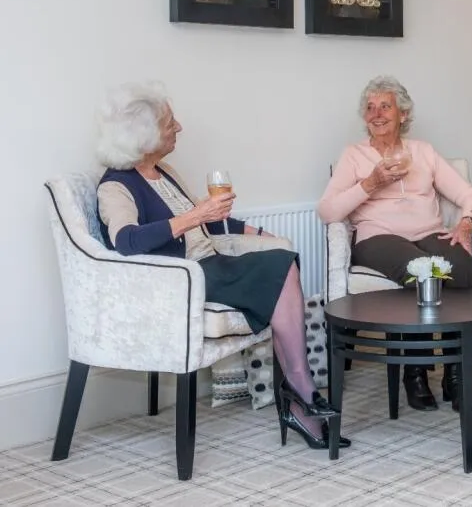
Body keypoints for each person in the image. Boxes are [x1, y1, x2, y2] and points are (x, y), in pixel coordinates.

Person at [95, 82, 347, 451]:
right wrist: (195, 215)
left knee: (282, 262)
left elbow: (208, 223)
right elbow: (126, 241)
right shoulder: (115, 186)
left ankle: (299, 394)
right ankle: (301, 394)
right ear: (144, 136)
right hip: (185, 278)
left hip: (210, 263)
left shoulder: (164, 172)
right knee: (280, 269)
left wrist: (257, 232)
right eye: (169, 122)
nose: (179, 127)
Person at [317, 75, 472, 413]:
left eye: (385, 106)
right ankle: (415, 371)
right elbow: (327, 211)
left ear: (402, 114)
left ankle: (455, 372)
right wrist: (370, 183)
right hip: (377, 237)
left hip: (428, 232)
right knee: (420, 270)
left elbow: (468, 193)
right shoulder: (354, 155)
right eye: (370, 107)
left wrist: (465, 224)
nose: (376, 114)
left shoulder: (423, 152)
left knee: (462, 268)